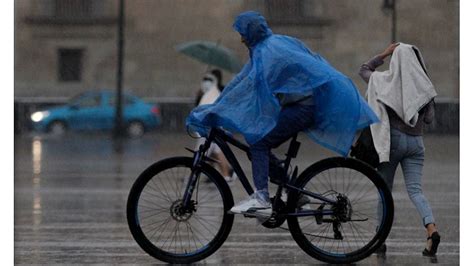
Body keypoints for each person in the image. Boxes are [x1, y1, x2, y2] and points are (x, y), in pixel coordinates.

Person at [187, 11, 379, 216]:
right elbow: (240, 80)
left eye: (243, 33)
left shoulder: (267, 52)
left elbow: (251, 85)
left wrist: (219, 109)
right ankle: (295, 192)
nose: (241, 38)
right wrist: (216, 106)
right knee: (256, 148)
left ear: (251, 32)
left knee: (259, 142)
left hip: (302, 107)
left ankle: (261, 198)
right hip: (298, 105)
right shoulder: (270, 45)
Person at [359, 43, 440, 256]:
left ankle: (380, 238)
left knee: (384, 190)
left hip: (392, 142)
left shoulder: (384, 81)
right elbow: (430, 119)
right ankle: (431, 230)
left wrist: (384, 53)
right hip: (416, 143)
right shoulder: (425, 87)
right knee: (415, 190)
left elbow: (364, 70)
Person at [194, 72, 235, 182]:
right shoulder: (206, 93)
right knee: (214, 152)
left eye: (209, 79)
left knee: (212, 151)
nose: (206, 81)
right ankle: (224, 173)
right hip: (208, 126)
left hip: (212, 126)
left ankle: (226, 174)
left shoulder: (219, 91)